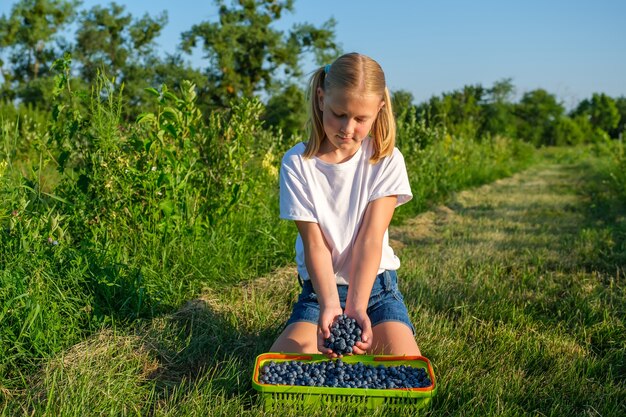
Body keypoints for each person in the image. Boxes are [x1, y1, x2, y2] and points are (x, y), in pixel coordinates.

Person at [270, 52, 421, 357]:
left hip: (376, 291)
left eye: (360, 119)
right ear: (322, 98)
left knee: (405, 369)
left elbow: (370, 239)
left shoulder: (387, 160)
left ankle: (373, 326)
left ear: (379, 110)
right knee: (286, 368)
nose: (347, 128)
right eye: (339, 113)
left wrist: (356, 309)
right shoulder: (297, 163)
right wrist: (329, 306)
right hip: (319, 294)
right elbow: (315, 245)